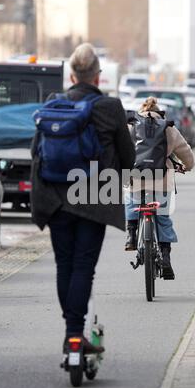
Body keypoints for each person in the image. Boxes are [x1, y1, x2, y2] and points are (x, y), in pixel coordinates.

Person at [30, 43, 135, 354]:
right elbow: (127, 156)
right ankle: (76, 334)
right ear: (97, 77)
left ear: (72, 77)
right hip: (95, 197)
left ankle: (71, 331)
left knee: (65, 264)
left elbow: (36, 149)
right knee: (83, 266)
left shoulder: (54, 103)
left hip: (55, 197)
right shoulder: (111, 107)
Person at [124, 97, 195, 280]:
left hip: (136, 177)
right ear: (159, 111)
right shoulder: (167, 127)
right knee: (163, 217)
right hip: (162, 179)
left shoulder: (132, 126)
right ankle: (165, 258)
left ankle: (131, 234)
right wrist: (187, 166)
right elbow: (184, 150)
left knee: (132, 202)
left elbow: (119, 149)